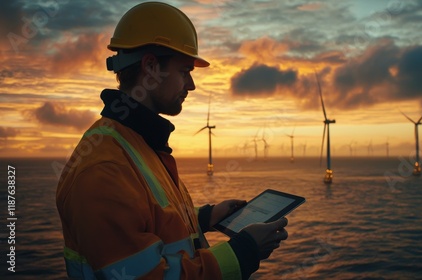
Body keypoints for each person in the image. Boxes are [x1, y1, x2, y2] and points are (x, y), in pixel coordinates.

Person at [56, 2, 289, 279]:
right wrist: (244, 251)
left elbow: (148, 218)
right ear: (151, 67)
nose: (191, 85)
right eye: (184, 71)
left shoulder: (139, 144)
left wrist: (207, 217)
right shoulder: (104, 169)